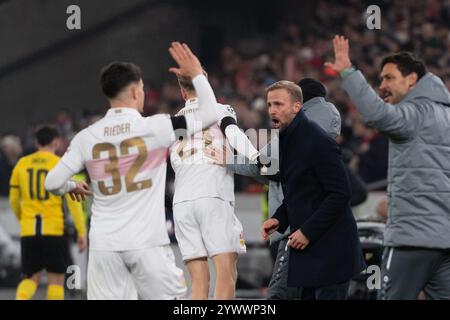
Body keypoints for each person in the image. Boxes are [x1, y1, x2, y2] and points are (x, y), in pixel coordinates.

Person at [45, 42, 221, 299]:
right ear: (137, 92)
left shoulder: (86, 137)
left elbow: (52, 182)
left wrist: (71, 186)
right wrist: (196, 74)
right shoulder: (157, 127)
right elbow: (209, 114)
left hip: (104, 246)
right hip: (147, 243)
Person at [326, 35, 450, 300]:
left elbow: (376, 115)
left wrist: (348, 71)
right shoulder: (446, 115)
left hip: (412, 238)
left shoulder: (414, 114)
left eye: (389, 78)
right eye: (380, 79)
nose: (382, 86)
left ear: (412, 80)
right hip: (445, 241)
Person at [208, 78, 343, 299]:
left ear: (298, 102)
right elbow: (278, 172)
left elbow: (264, 164)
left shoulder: (298, 129)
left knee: (278, 295)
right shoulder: (326, 131)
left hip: (293, 229)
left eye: (280, 103)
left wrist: (230, 160)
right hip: (324, 228)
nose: (275, 110)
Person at [261, 80, 365, 300]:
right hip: (309, 253)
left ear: (297, 107)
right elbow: (299, 192)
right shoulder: (287, 140)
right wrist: (279, 218)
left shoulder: (317, 141)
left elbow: (340, 194)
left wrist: (307, 231)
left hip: (332, 252)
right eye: (270, 105)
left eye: (279, 104)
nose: (272, 110)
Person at [169, 71, 261, 299]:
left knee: (198, 284)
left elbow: (174, 159)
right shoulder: (219, 109)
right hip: (212, 196)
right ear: (206, 85)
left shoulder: (176, 121)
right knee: (226, 275)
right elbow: (234, 133)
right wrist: (257, 157)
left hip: (181, 203)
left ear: (182, 92)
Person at [9, 126, 87, 300]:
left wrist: (24, 219)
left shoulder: (22, 164)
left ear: (37, 142)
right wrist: (81, 231)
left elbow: (14, 200)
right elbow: (73, 202)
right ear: (56, 142)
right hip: (54, 229)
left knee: (31, 278)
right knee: (56, 281)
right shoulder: (60, 164)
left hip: (29, 230)